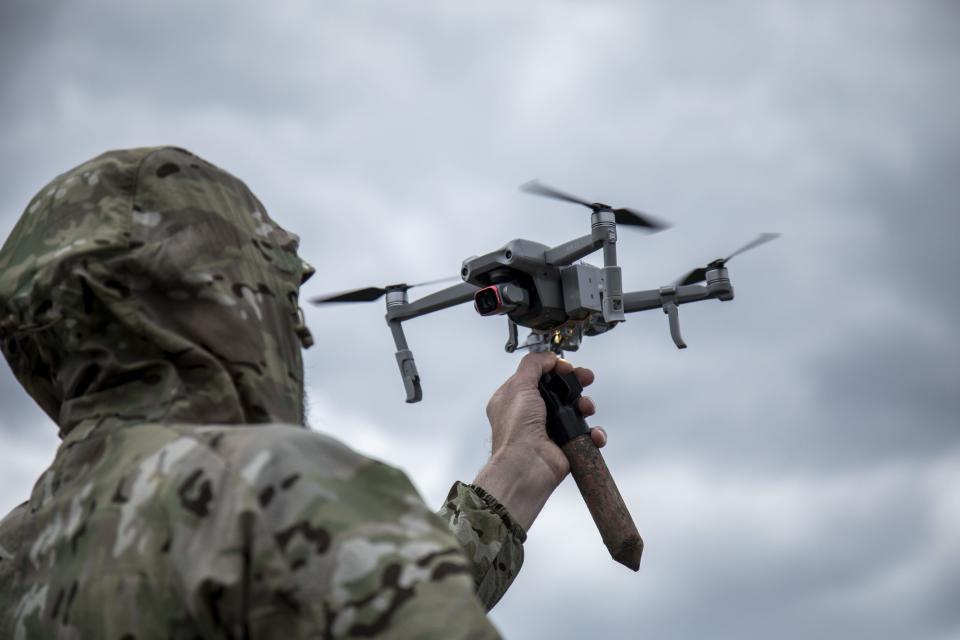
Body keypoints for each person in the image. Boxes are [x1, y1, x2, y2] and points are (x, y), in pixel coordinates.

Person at [0, 147, 606, 639]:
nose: (300, 332)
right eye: (277, 295)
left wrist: (515, 471)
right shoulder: (270, 490)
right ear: (223, 297)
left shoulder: (20, 555)